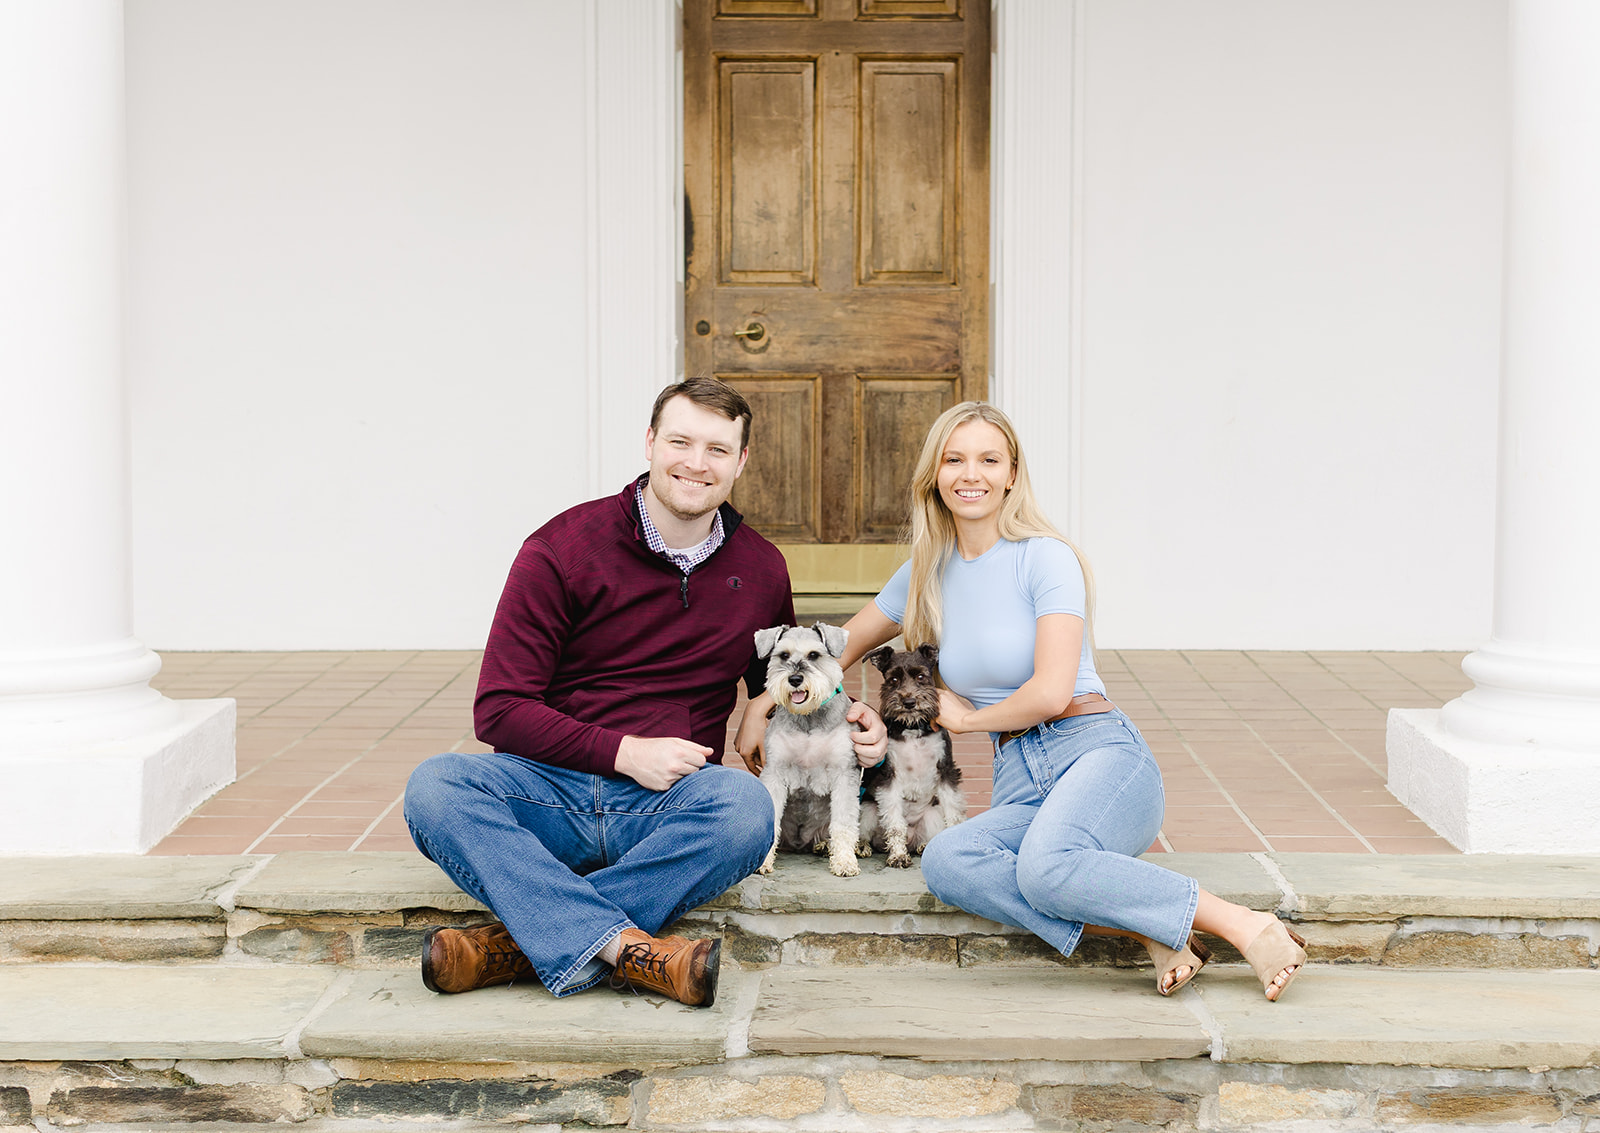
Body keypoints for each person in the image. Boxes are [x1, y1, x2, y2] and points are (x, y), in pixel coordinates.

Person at [736, 401, 1308, 1001]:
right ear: (934, 474)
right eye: (953, 459)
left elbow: (1052, 691)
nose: (970, 474)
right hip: (1019, 775)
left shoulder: (1046, 557)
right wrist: (763, 704)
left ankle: (1249, 926)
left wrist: (966, 717)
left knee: (1046, 866)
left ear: (1012, 473)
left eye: (989, 459)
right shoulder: (924, 572)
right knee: (949, 862)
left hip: (1096, 753)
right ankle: (1150, 927)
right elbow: (841, 647)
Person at [404, 378, 888, 1007]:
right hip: (549, 790)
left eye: (717, 449)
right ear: (650, 443)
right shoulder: (561, 548)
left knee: (745, 809)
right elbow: (499, 709)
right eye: (680, 441)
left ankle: (515, 946)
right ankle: (629, 951)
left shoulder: (762, 566)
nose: (696, 462)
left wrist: (848, 713)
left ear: (741, 462)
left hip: (671, 807)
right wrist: (623, 752)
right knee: (436, 788)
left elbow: (787, 675)